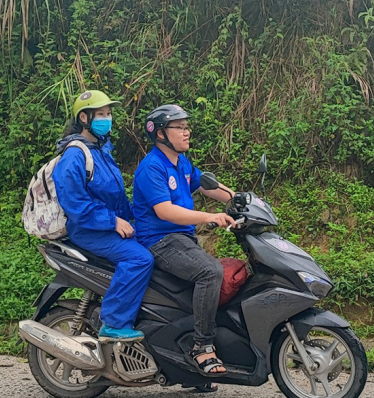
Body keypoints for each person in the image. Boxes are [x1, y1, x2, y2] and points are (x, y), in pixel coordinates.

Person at [133, 104, 236, 375]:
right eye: (179, 127)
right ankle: (202, 347)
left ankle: (187, 369)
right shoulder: (151, 168)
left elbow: (206, 184)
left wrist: (240, 199)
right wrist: (208, 217)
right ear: (160, 134)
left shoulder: (181, 162)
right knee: (209, 272)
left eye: (187, 126)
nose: (186, 132)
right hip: (160, 240)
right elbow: (164, 211)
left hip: (182, 239)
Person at [52, 90, 154, 342]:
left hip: (109, 225)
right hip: (88, 230)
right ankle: (114, 322)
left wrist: (141, 216)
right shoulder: (75, 154)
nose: (107, 119)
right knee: (139, 259)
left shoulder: (101, 149)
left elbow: (115, 197)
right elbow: (74, 203)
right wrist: (113, 221)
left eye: (109, 114)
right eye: (100, 114)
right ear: (84, 119)